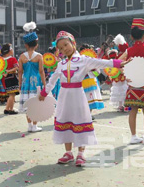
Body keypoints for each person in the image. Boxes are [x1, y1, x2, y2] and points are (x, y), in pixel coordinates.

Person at [39, 31, 126, 166]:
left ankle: (80, 153)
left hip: (78, 96)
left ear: (73, 43)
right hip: (64, 97)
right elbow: (52, 80)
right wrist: (44, 93)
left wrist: (118, 63)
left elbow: (101, 62)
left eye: (66, 45)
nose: (64, 49)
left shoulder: (83, 60)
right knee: (65, 121)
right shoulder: (61, 64)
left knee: (80, 121)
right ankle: (68, 153)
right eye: (61, 48)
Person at [18, 22, 46, 132]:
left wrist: (20, 83)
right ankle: (34, 126)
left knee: (28, 105)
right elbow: (41, 71)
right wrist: (44, 83)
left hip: (26, 84)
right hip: (36, 83)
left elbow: (20, 71)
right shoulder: (39, 56)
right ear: (36, 45)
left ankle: (29, 125)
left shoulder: (21, 56)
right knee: (36, 105)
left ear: (25, 45)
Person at [0, 43, 20, 114]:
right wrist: (9, 71)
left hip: (5, 79)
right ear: (9, 51)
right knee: (12, 95)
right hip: (12, 78)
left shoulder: (1, 60)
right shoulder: (12, 59)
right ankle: (11, 109)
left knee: (10, 94)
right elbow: (17, 67)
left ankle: (7, 108)